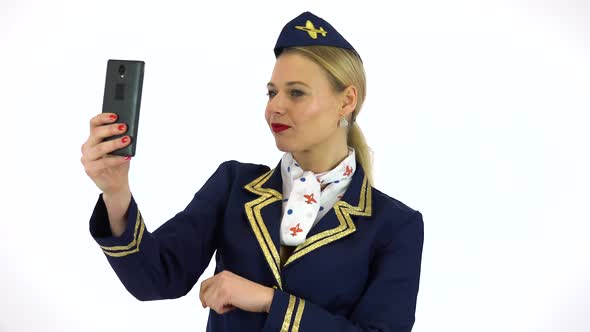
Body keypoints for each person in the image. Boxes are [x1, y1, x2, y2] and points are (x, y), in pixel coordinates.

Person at [81, 11, 424, 332]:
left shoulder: (394, 226)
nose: (275, 106)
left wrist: (268, 302)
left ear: (346, 100)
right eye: (272, 92)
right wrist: (116, 192)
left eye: (296, 93)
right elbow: (155, 279)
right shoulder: (234, 185)